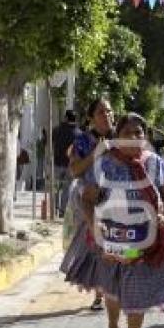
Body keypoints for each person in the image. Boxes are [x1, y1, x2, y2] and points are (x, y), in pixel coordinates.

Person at [74, 113, 164, 328]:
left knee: (136, 286)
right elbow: (87, 198)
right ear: (117, 137)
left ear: (145, 137)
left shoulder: (155, 163)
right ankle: (113, 327)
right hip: (112, 236)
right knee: (113, 286)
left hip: (144, 236)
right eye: (127, 133)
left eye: (138, 133)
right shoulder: (105, 164)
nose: (133, 137)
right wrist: (93, 223)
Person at [62, 99, 115, 312]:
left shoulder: (122, 137)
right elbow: (75, 171)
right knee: (97, 244)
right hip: (90, 199)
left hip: (118, 199)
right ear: (91, 118)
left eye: (109, 111)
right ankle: (101, 292)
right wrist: (97, 153)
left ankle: (116, 288)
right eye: (101, 112)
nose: (106, 115)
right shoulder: (82, 142)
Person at [53, 110, 79, 217]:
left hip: (57, 163)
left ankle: (54, 209)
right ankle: (62, 211)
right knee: (67, 189)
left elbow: (50, 143)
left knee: (55, 188)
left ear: (66, 118)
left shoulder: (56, 130)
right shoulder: (79, 133)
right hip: (70, 165)